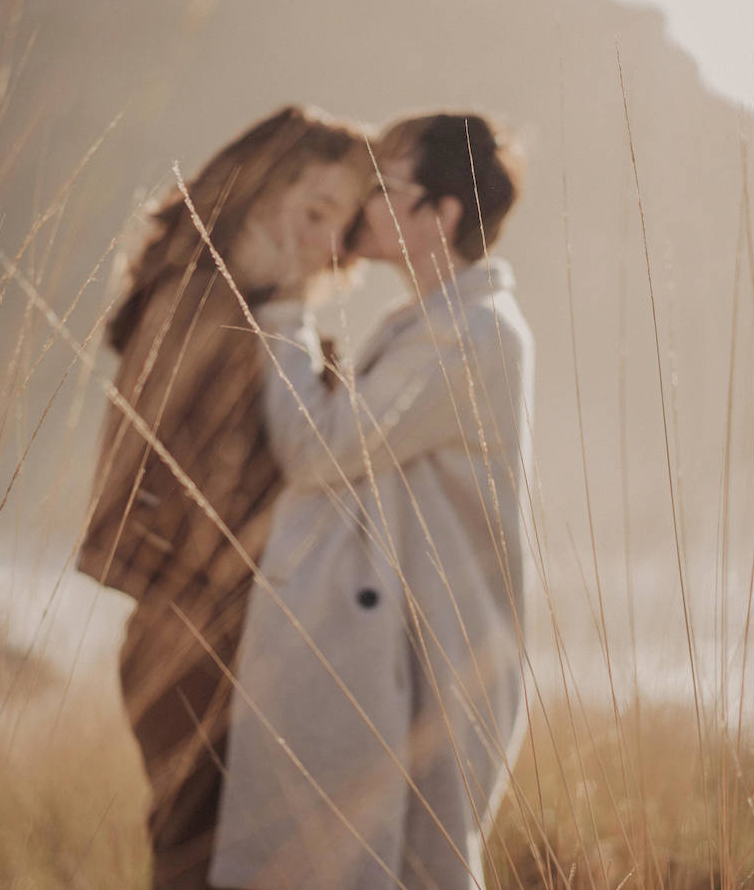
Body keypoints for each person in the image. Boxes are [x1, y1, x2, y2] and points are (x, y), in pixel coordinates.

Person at [210, 113, 534, 889]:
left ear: (443, 215)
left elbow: (318, 452)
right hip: (417, 647)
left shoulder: (472, 335)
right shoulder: (439, 322)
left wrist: (288, 310)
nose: (364, 207)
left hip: (444, 657)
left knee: (419, 868)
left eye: (385, 190)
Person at [77, 104, 373, 889]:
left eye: (343, 227)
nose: (330, 245)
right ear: (255, 195)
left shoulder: (253, 317)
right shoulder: (202, 308)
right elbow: (175, 500)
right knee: (202, 863)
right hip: (195, 642)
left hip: (229, 641)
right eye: (315, 213)